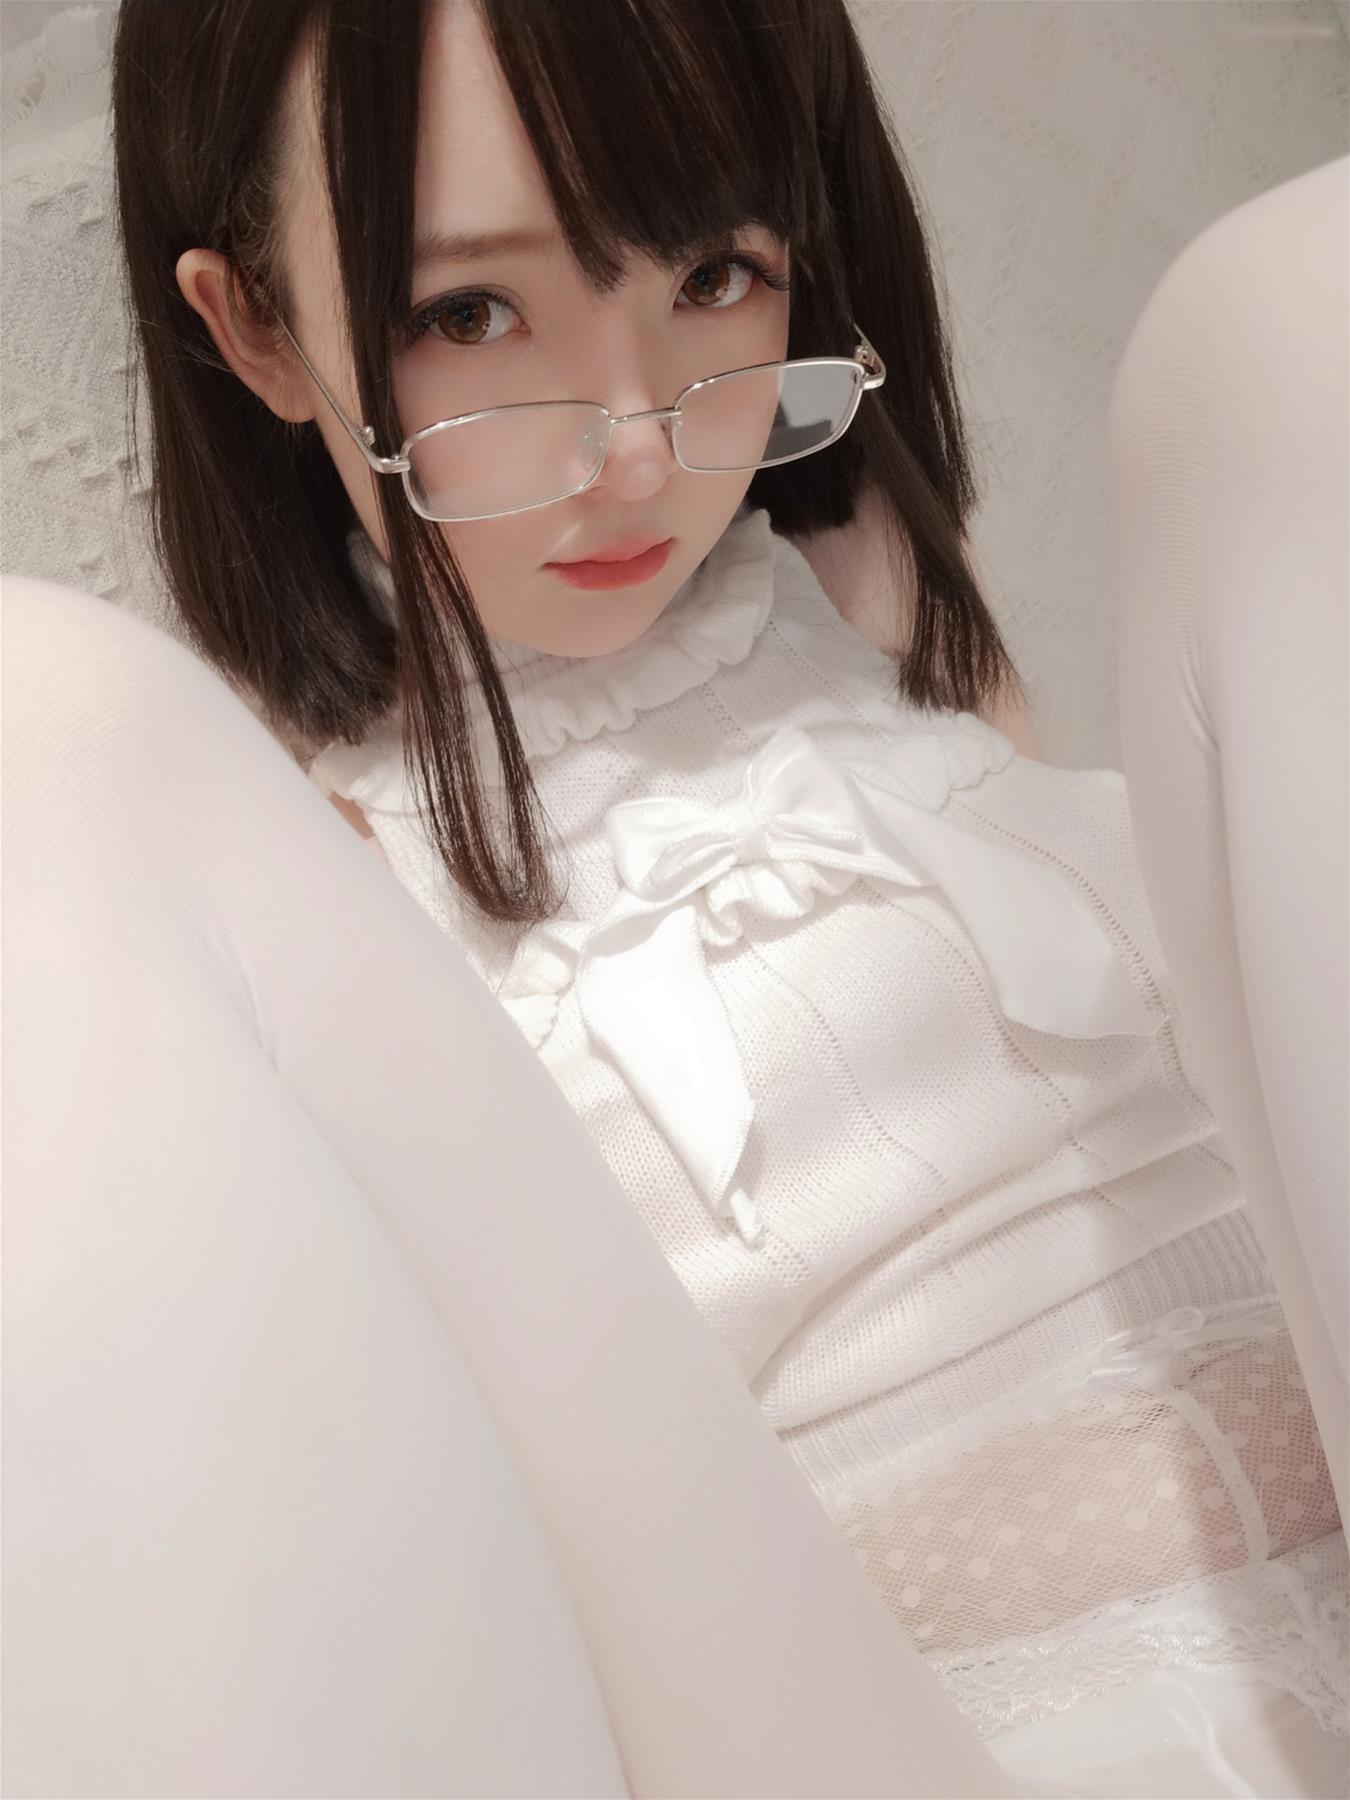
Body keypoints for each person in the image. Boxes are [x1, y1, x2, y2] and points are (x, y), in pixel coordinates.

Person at [4, 0, 1344, 1790]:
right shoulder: (287, 879)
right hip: (900, 1711)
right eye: (468, 315)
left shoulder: (869, 589)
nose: (635, 445)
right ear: (253, 326)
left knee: (1297, 300)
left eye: (714, 274)